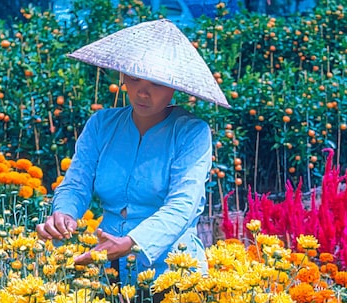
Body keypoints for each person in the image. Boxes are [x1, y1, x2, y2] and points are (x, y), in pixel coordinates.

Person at [36, 19, 230, 287]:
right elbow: (76, 183)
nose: (143, 92)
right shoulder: (102, 124)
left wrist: (131, 243)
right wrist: (64, 215)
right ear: (123, 76)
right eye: (135, 78)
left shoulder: (192, 132)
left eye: (157, 83)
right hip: (108, 269)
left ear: (175, 87)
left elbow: (183, 206)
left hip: (174, 273)